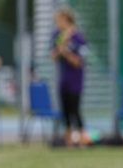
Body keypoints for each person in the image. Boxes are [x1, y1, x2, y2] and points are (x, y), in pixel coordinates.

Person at [51, 8, 88, 147]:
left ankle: (83, 140)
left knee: (75, 109)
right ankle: (68, 142)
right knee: (65, 110)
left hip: (75, 80)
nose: (57, 23)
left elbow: (79, 61)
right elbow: (53, 56)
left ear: (67, 19)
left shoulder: (78, 37)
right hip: (63, 80)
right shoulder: (57, 35)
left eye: (59, 20)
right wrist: (60, 45)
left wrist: (65, 52)